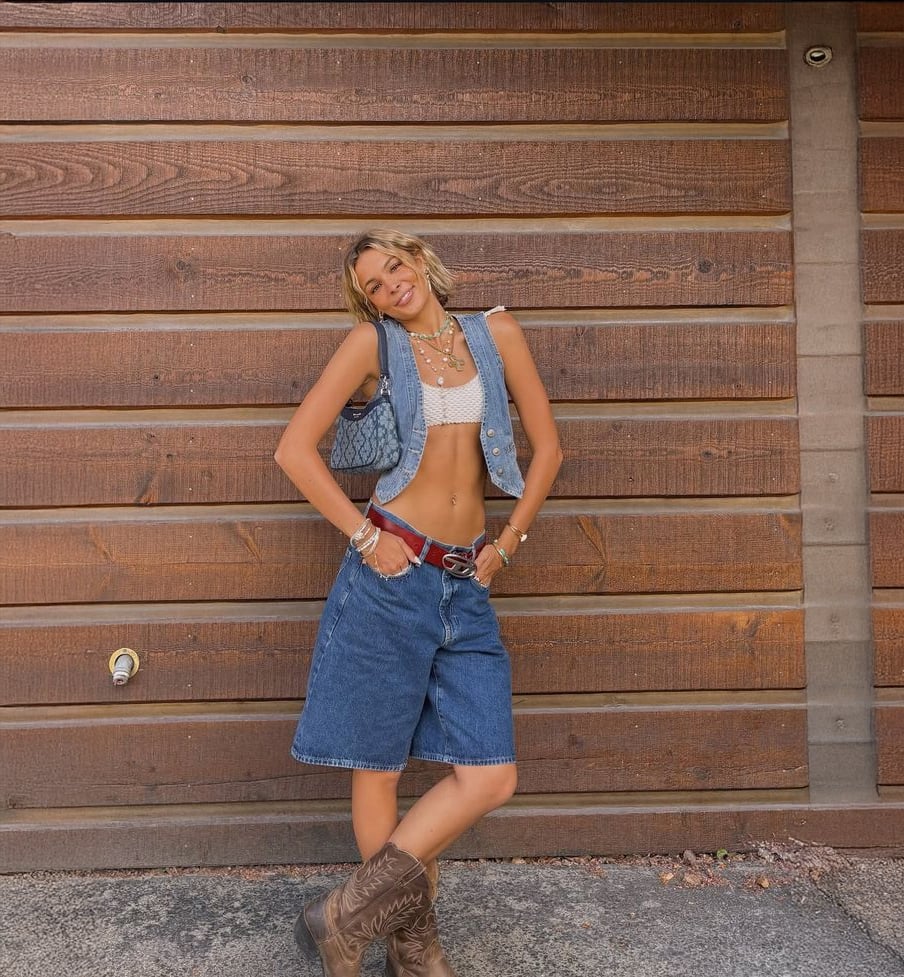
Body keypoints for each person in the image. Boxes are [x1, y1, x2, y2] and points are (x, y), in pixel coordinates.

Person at [274, 228, 562, 977]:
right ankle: (415, 947)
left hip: (466, 582)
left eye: (395, 267)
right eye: (373, 284)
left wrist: (510, 542)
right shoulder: (372, 345)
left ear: (421, 263)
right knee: (378, 767)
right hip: (389, 579)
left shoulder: (495, 334)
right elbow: (294, 450)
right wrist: (366, 537)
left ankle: (343, 915)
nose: (390, 285)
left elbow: (549, 449)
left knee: (490, 776)